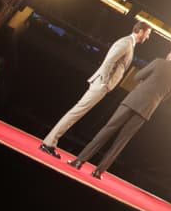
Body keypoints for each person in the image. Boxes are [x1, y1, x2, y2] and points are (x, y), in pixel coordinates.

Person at [39, 21, 151, 158]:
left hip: (101, 85)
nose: (147, 37)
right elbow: (109, 61)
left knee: (76, 113)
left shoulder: (129, 43)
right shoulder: (126, 43)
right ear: (140, 31)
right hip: (100, 84)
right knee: (75, 113)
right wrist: (105, 83)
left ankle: (50, 142)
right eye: (147, 33)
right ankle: (49, 143)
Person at [69, 47, 171, 179]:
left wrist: (145, 83)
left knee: (108, 129)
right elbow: (164, 98)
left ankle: (79, 161)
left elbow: (137, 76)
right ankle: (98, 172)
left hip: (132, 101)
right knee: (122, 141)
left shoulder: (159, 62)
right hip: (146, 110)